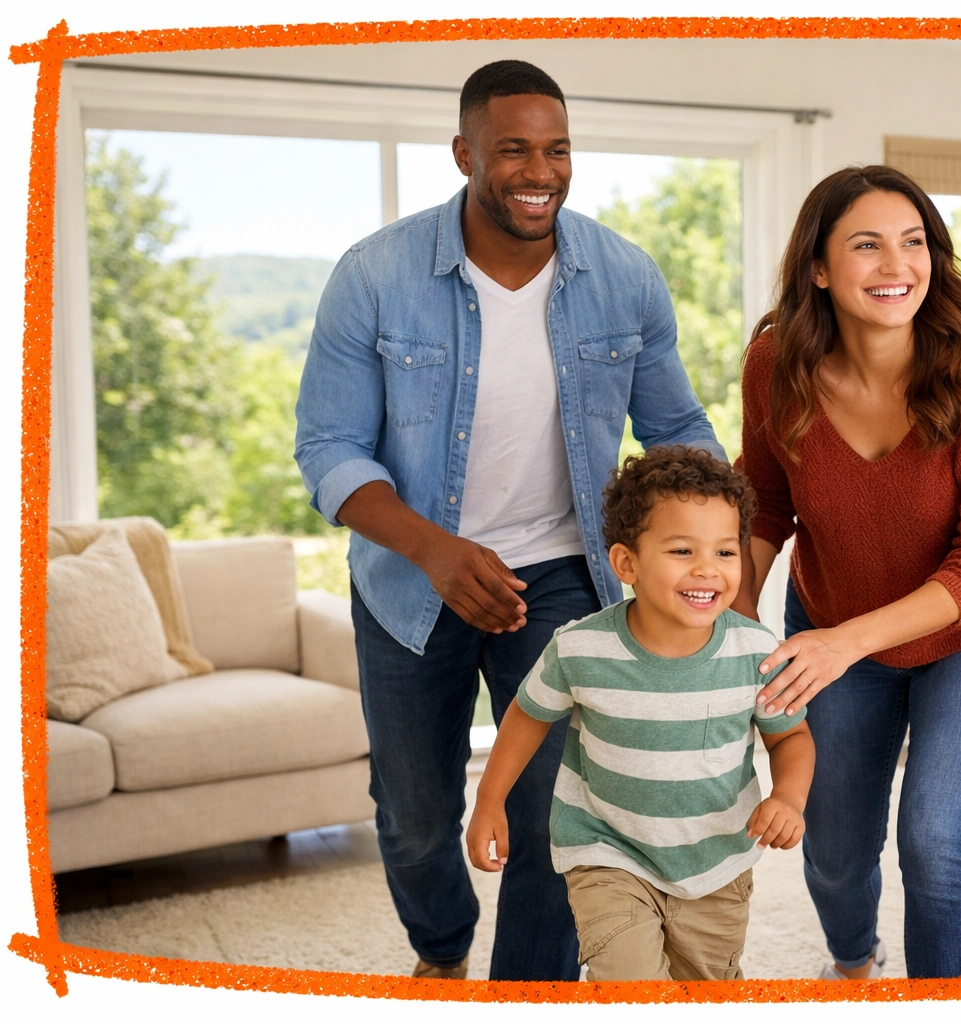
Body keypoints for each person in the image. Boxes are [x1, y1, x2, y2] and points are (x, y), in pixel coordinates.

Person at [293, 60, 723, 982]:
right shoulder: (374, 275)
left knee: (552, 812)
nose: (541, 172)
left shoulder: (624, 276)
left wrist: (719, 552)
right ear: (464, 153)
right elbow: (329, 449)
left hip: (566, 573)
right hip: (411, 578)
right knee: (414, 816)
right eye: (515, 150)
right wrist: (437, 552)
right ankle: (441, 950)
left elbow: (677, 426)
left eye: (558, 149)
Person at [731, 165, 961, 980]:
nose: (896, 265)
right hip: (834, 624)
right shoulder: (776, 364)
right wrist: (731, 620)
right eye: (867, 245)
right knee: (834, 846)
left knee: (936, 840)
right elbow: (764, 504)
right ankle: (852, 966)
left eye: (913, 243)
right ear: (818, 268)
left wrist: (845, 642)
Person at [465, 446, 815, 981]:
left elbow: (790, 737)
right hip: (608, 850)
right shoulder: (580, 649)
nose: (708, 569)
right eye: (682, 550)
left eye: (725, 552)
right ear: (627, 563)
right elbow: (528, 715)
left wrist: (788, 797)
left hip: (716, 864)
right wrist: (490, 800)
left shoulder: (756, 652)